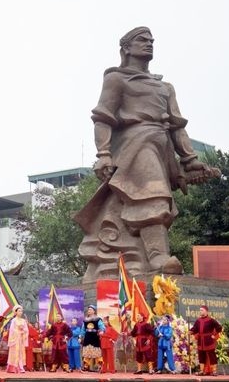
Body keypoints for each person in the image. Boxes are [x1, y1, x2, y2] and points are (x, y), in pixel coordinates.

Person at [76, 26, 217, 278]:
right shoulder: (116, 79)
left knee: (138, 200)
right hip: (134, 143)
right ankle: (157, 258)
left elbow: (177, 126)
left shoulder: (166, 87)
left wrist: (190, 160)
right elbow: (103, 118)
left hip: (161, 146)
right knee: (154, 196)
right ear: (126, 48)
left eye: (152, 40)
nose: (149, 43)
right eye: (142, 40)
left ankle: (131, 255)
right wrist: (103, 154)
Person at [189, 305, 222, 376]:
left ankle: (214, 371)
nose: (200, 311)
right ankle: (201, 371)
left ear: (206, 311)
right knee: (201, 355)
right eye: (200, 310)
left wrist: (214, 335)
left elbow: (219, 327)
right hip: (201, 341)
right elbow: (195, 328)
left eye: (202, 310)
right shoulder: (198, 320)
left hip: (209, 340)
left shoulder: (211, 320)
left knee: (212, 355)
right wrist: (191, 331)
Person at [81, 306, 105, 372]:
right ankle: (86, 366)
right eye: (88, 310)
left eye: (90, 309)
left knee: (97, 353)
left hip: (95, 337)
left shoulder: (98, 319)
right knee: (86, 352)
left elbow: (102, 327)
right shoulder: (85, 320)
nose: (89, 311)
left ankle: (100, 366)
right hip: (87, 337)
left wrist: (102, 331)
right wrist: (80, 337)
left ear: (94, 311)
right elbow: (83, 330)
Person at [6, 305, 29, 373]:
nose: (20, 312)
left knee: (21, 353)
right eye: (19, 311)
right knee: (14, 353)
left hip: (21, 339)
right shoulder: (14, 320)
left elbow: (26, 330)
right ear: (15, 312)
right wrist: (19, 331)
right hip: (15, 340)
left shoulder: (23, 321)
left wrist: (23, 330)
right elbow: (12, 330)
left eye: (21, 311)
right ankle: (13, 368)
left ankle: (21, 367)